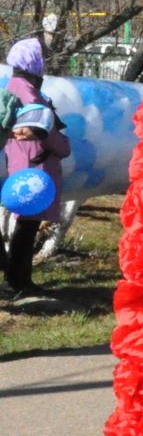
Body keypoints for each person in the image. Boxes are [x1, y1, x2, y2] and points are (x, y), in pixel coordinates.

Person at [4, 102, 69, 296]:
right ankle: (18, 280)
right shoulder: (41, 123)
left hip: (19, 179)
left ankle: (17, 279)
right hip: (35, 183)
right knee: (26, 232)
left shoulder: (14, 115)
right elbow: (64, 149)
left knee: (23, 230)